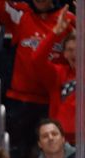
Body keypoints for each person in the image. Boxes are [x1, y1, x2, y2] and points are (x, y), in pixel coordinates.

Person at [0, 0, 75, 158]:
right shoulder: (22, 15)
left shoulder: (67, 19)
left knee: (52, 156)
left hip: (52, 101)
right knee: (17, 154)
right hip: (20, 99)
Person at [31, 7, 76, 144]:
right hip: (60, 141)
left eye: (79, 49)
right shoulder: (58, 73)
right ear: (65, 54)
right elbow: (37, 59)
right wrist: (55, 33)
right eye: (70, 50)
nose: (75, 54)